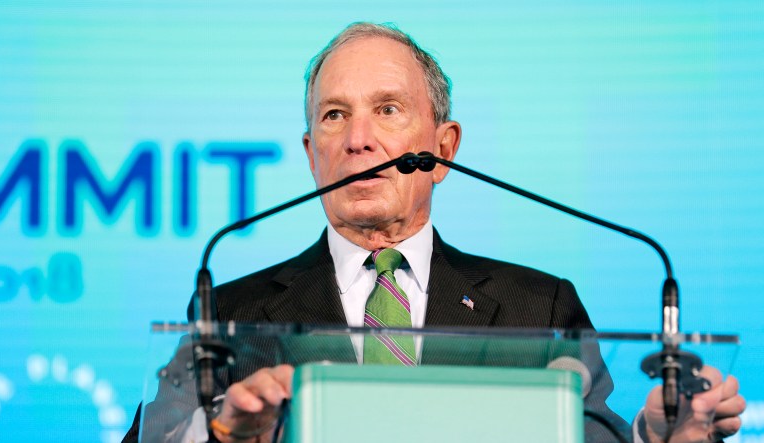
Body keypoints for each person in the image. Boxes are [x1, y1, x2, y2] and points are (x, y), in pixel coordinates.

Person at [124, 22, 745, 443]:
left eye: (387, 109)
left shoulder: (538, 305)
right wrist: (220, 434)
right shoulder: (233, 311)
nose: (358, 137)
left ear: (443, 150)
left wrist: (656, 438)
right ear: (314, 155)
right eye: (335, 115)